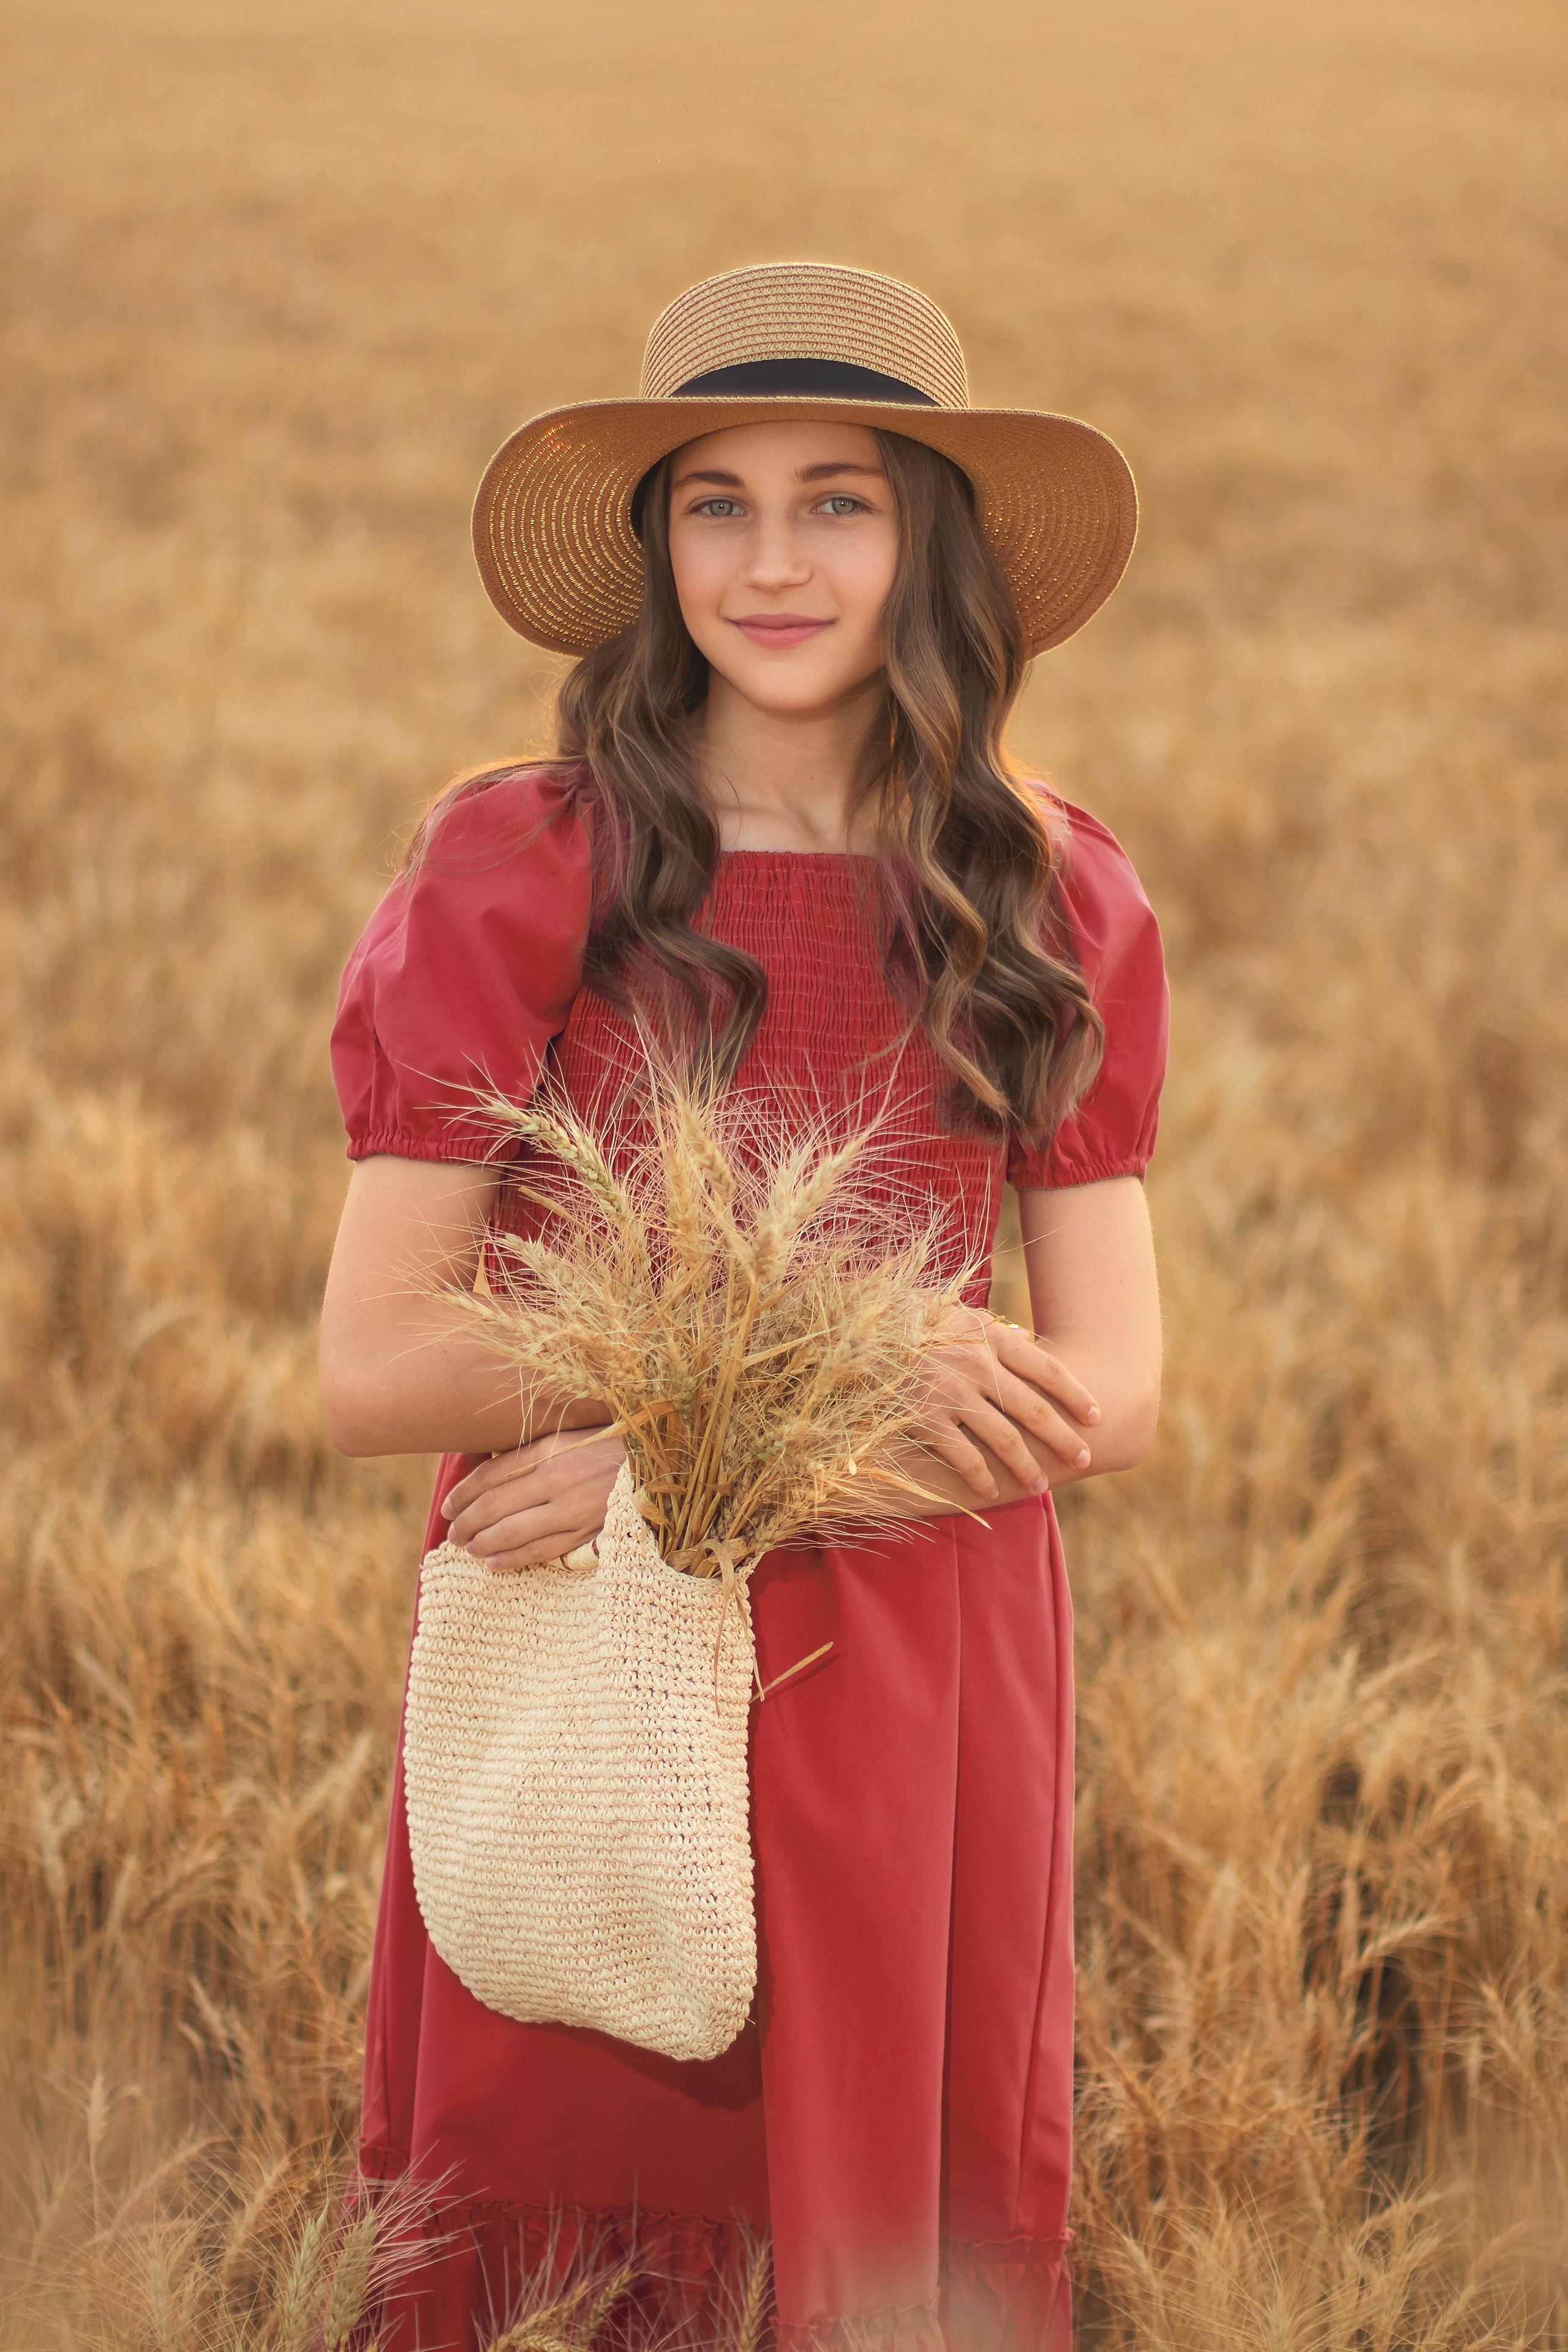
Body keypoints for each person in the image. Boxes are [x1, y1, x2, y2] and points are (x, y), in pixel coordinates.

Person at [320, 260, 1167, 2352]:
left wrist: (721, 1432)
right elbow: (370, 1363)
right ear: (652, 544)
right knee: (577, 2207)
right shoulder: (524, 865)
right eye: (714, 501)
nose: (770, 561)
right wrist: (716, 1434)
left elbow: (1117, 1385)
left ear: (930, 543)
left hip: (917, 1665)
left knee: (883, 2243)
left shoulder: (1051, 899)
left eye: (840, 502)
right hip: (598, 1638)